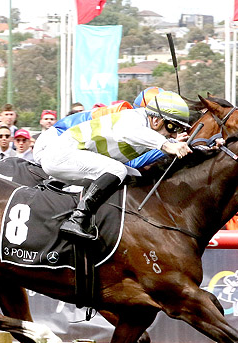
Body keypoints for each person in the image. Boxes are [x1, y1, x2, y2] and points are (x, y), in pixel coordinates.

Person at [35, 91, 192, 239]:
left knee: (132, 176)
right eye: (173, 127)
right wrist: (165, 145)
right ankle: (77, 219)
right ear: (156, 120)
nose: (174, 133)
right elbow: (131, 132)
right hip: (59, 155)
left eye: (178, 128)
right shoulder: (133, 119)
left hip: (70, 158)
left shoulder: (149, 130)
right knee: (117, 170)